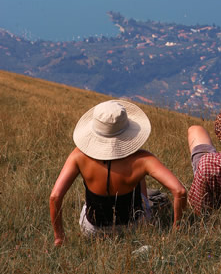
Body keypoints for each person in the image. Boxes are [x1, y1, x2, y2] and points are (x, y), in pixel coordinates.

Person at [50, 100, 187, 245]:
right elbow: (180, 191)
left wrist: (59, 237)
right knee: (139, 173)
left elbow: (54, 197)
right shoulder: (142, 159)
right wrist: (177, 228)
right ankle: (145, 205)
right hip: (134, 227)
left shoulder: (78, 156)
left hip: (93, 230)